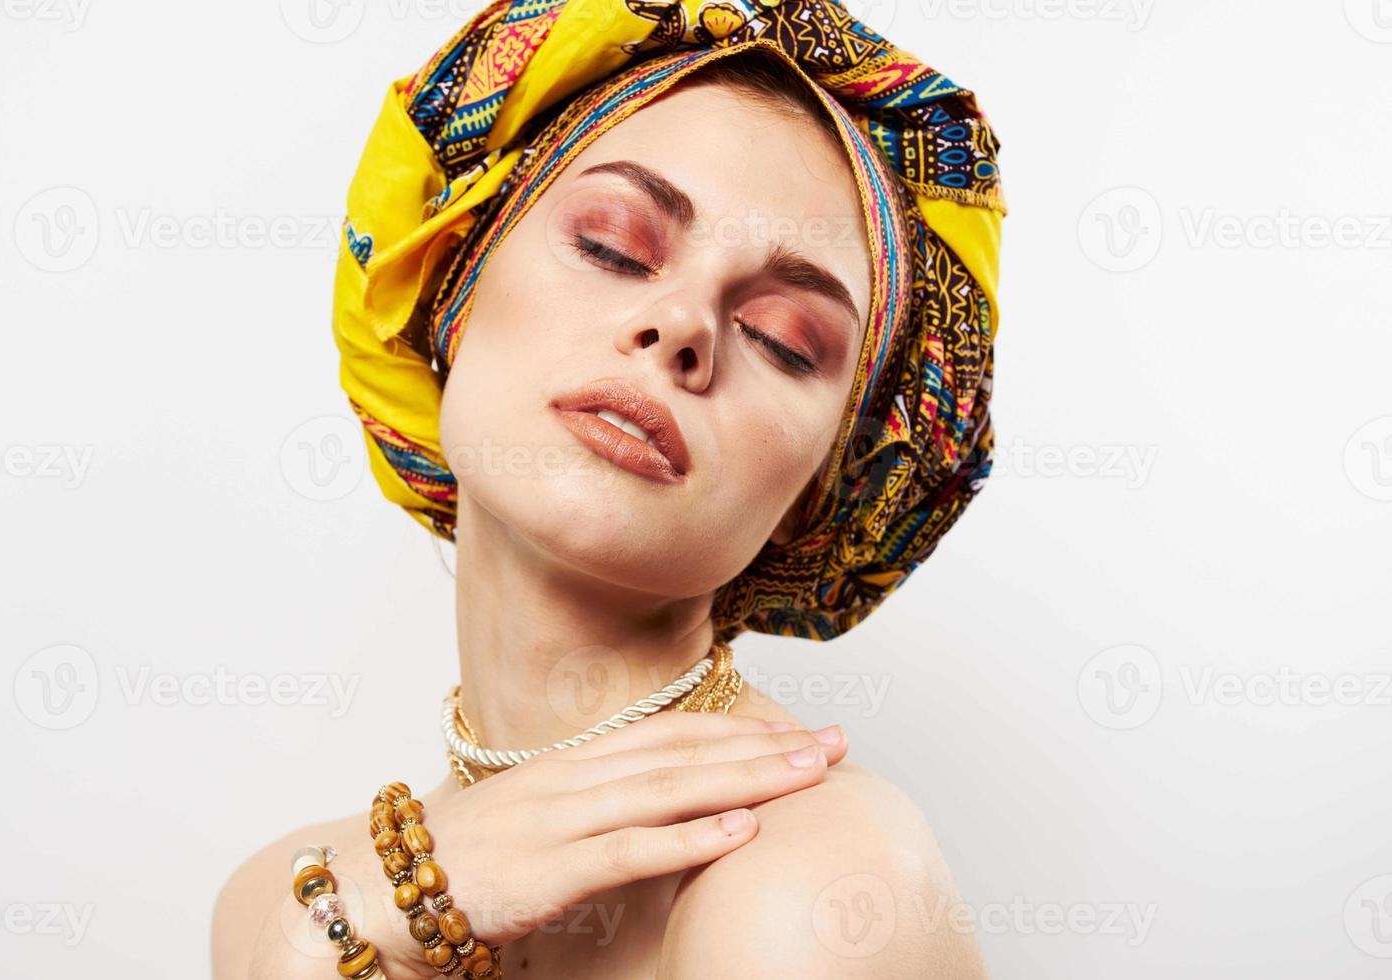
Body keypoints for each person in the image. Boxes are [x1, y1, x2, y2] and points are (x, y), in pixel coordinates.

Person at [214, 1, 1004, 975]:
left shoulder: (812, 887)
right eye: (613, 245)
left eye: (784, 339)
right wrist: (366, 915)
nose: (683, 323)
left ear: (821, 497)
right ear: (448, 290)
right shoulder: (301, 898)